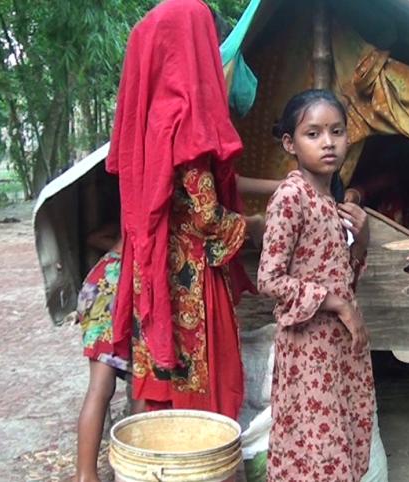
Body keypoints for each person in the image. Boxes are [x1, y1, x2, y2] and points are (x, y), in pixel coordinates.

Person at [106, 0, 268, 420]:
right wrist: (253, 225)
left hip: (154, 274)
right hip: (191, 280)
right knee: (202, 401)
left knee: (162, 398)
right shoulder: (187, 121)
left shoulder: (148, 119)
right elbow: (207, 217)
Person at [257, 89, 375, 482]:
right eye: (313, 133)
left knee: (342, 437)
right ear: (290, 143)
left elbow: (339, 276)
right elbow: (269, 278)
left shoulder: (330, 200)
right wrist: (336, 304)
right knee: (316, 451)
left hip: (339, 348)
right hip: (309, 349)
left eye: (337, 131)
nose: (328, 142)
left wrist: (361, 242)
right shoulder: (292, 197)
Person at [74, 225, 127, 482]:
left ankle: (85, 474)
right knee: (135, 385)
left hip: (101, 279)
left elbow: (93, 237)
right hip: (115, 289)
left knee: (100, 388)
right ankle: (88, 476)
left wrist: (121, 248)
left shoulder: (128, 207)